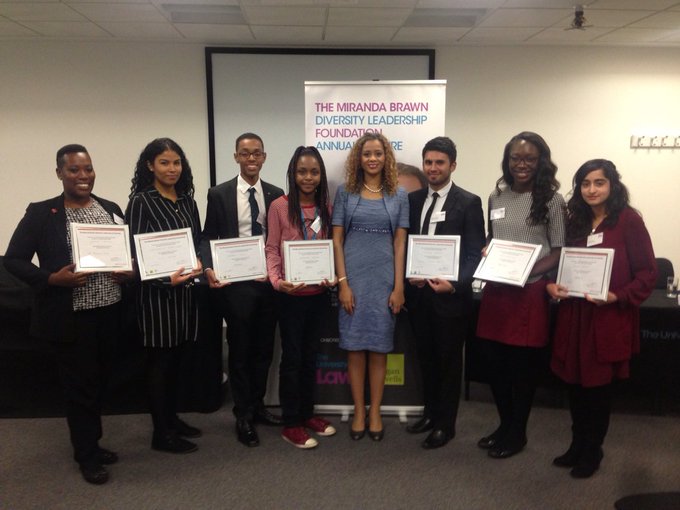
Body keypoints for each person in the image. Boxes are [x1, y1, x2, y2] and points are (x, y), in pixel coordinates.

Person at [4, 144, 130, 484]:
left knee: (102, 383)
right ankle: (86, 455)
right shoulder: (43, 213)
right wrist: (51, 279)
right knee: (80, 389)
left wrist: (128, 271)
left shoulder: (111, 209)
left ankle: (92, 442)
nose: (83, 175)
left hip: (110, 312)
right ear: (59, 173)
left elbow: (126, 254)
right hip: (72, 318)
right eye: (74, 169)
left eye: (87, 168)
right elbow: (12, 259)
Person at [547, 159, 656, 478]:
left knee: (597, 390)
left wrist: (616, 296)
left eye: (599, 183)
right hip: (574, 316)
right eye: (585, 184)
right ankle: (577, 444)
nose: (592, 190)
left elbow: (647, 273)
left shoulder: (629, 221)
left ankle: (592, 450)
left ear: (612, 185)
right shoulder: (574, 220)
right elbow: (561, 262)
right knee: (575, 386)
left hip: (607, 318)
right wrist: (552, 284)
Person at [476, 131, 566, 459]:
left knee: (522, 367)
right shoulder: (495, 197)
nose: (521, 164)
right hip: (497, 291)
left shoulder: (552, 200)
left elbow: (558, 250)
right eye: (516, 158)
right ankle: (504, 425)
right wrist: (488, 250)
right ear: (507, 160)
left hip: (529, 292)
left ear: (541, 161)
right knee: (494, 363)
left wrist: (529, 271)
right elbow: (493, 236)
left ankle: (518, 433)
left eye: (529, 158)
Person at [200, 132, 284, 447]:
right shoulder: (219, 194)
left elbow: (281, 238)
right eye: (245, 153)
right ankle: (243, 413)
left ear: (264, 157)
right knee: (240, 351)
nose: (251, 159)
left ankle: (259, 405)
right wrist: (208, 268)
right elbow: (208, 236)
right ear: (236, 156)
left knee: (264, 350)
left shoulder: (276, 195)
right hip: (236, 286)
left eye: (257, 153)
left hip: (268, 285)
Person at [405, 137, 485, 449]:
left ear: (452, 165)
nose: (433, 168)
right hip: (420, 296)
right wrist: (409, 273)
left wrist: (456, 283)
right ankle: (429, 413)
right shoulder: (413, 200)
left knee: (449, 363)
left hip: (450, 298)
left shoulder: (468, 201)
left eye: (440, 162)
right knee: (425, 359)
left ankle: (445, 425)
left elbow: (475, 253)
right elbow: (408, 245)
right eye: (429, 162)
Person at [126, 138, 203, 455]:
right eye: (164, 163)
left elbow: (196, 242)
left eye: (176, 163)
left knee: (178, 363)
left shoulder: (187, 201)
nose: (172, 169)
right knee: (160, 365)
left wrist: (200, 263)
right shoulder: (141, 202)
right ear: (150, 166)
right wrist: (162, 279)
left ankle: (172, 419)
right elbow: (134, 254)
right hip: (156, 298)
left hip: (185, 296)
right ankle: (161, 433)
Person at [332, 132, 409, 441]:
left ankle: (375, 411)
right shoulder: (345, 193)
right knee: (354, 349)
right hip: (353, 278)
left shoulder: (399, 194)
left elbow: (400, 242)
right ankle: (359, 410)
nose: (373, 159)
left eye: (378, 153)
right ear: (358, 159)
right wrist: (343, 284)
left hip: (384, 280)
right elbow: (336, 240)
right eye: (367, 154)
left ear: (386, 157)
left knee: (378, 349)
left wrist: (399, 286)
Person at [265, 146, 337, 449]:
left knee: (311, 357)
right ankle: (291, 422)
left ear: (320, 175)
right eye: (302, 171)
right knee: (292, 359)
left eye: (314, 171)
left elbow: (331, 247)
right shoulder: (279, 206)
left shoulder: (326, 207)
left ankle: (308, 414)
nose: (308, 177)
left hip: (318, 294)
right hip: (290, 297)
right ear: (293, 174)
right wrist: (277, 281)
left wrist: (332, 275)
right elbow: (271, 248)